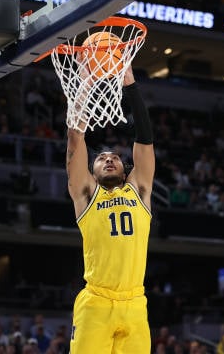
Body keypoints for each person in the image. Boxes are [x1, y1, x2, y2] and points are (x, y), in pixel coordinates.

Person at [65, 65, 155, 353]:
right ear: (91, 171)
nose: (108, 159)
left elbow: (145, 139)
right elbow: (74, 141)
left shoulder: (139, 189)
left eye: (114, 157)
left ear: (124, 167)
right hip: (97, 302)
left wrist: (131, 85)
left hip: (135, 303)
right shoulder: (86, 193)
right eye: (101, 158)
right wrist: (85, 86)